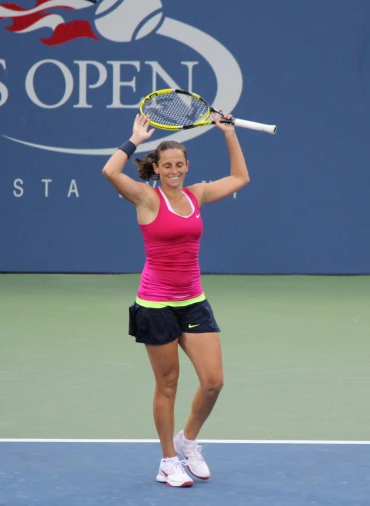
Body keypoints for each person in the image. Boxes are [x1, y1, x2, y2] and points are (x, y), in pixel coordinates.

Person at [101, 111, 250, 487]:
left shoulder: (196, 195)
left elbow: (240, 179)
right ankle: (168, 460)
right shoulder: (146, 199)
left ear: (187, 166)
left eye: (179, 165)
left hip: (193, 300)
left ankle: (188, 440)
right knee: (167, 385)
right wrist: (134, 139)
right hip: (156, 304)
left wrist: (228, 133)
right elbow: (110, 172)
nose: (174, 170)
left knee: (213, 381)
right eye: (167, 165)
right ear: (157, 167)